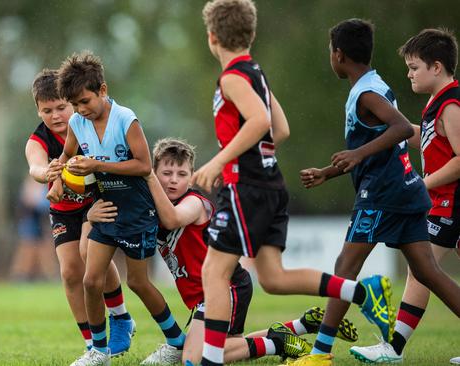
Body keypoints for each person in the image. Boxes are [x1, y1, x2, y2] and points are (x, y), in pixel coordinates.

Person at [193, 3, 396, 366]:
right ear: (251, 35)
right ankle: (361, 293)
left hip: (246, 186)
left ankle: (209, 362)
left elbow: (258, 122)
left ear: (212, 37)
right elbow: (280, 128)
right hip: (269, 184)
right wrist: (258, 153)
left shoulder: (232, 78)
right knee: (273, 277)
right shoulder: (256, 73)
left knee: (214, 271)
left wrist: (221, 160)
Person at [88, 138, 339, 365]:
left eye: (181, 173)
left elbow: (173, 219)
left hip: (226, 287)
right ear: (156, 171)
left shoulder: (194, 203)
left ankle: (278, 344)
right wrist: (91, 214)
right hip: (203, 296)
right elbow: (122, 220)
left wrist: (149, 177)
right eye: (166, 172)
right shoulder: (151, 206)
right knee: (229, 348)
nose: (174, 179)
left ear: (191, 176)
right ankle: (299, 326)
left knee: (194, 359)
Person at [298, 19, 460, 365]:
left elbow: (401, 128)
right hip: (404, 192)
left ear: (338, 55)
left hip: (383, 195)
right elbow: (381, 143)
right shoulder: (372, 85)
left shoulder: (366, 92)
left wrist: (356, 154)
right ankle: (367, 346)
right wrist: (329, 173)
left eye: (331, 52)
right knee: (428, 273)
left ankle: (319, 354)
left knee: (345, 265)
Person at [48, 51, 186, 366]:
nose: (81, 110)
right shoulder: (76, 122)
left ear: (103, 90)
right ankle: (99, 351)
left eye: (85, 101)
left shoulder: (126, 119)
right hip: (106, 209)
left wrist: (97, 163)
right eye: (76, 104)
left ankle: (176, 342)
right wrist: (59, 177)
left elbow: (144, 165)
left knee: (137, 282)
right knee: (90, 280)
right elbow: (66, 156)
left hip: (137, 211)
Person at [349, 28, 460, 364]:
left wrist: (420, 184)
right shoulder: (436, 103)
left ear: (436, 67)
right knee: (423, 271)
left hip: (449, 203)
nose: (409, 73)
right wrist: (385, 127)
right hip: (442, 202)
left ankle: (393, 348)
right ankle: (393, 347)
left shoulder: (451, 104)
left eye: (414, 67)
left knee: (421, 270)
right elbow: (424, 137)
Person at [25, 69, 134, 354]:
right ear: (38, 111)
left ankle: (120, 316)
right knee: (71, 272)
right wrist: (46, 172)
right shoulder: (38, 140)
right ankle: (91, 344)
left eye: (61, 107)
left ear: (72, 102)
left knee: (89, 252)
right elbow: (35, 166)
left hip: (95, 202)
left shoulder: (88, 125)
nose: (55, 115)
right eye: (46, 110)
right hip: (63, 210)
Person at [10, 175, 54, 282]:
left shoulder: (43, 188)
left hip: (41, 221)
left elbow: (45, 205)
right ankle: (20, 274)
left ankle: (46, 274)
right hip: (29, 221)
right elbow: (27, 204)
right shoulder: (28, 188)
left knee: (44, 249)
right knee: (27, 248)